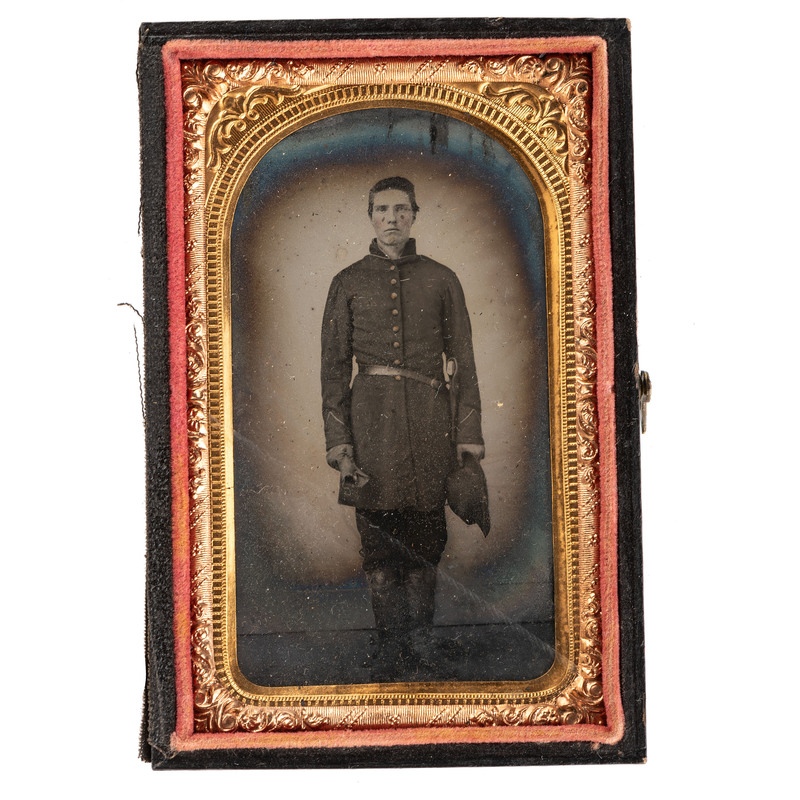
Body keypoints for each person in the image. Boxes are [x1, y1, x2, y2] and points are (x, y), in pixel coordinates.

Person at [321, 176, 485, 681]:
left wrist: (466, 435)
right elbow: (332, 369)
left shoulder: (442, 279)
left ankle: (421, 646)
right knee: (377, 544)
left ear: (414, 214)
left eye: (400, 210)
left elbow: (464, 362)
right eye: (381, 210)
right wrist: (340, 443)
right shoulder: (347, 282)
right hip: (370, 424)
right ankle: (389, 648)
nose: (391, 219)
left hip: (431, 424)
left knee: (425, 539)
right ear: (370, 217)